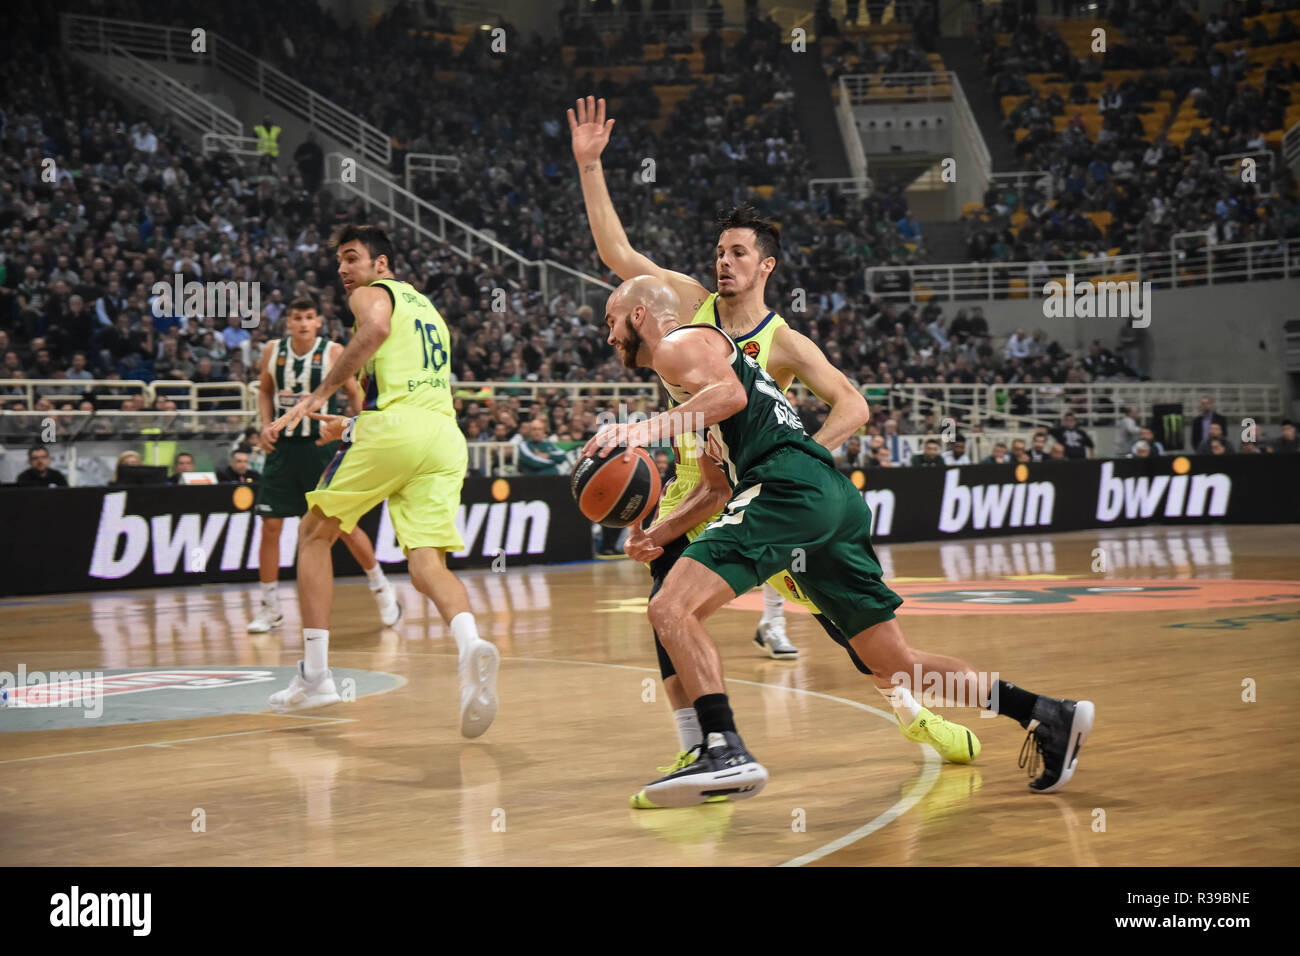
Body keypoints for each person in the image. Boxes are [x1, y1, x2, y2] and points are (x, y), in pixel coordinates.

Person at [588, 275, 1094, 806]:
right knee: (895, 662)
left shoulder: (680, 345)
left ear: (639, 315)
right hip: (830, 499)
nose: (608, 336)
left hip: (786, 489)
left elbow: (731, 395)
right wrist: (654, 533)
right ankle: (1044, 713)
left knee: (671, 608)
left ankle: (723, 749)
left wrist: (641, 430)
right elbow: (716, 488)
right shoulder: (696, 381)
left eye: (610, 321)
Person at [571, 98, 877, 765]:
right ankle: (702, 748)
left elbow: (853, 405)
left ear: (765, 265)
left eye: (737, 252)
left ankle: (902, 690)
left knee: (845, 625)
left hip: (767, 492)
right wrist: (591, 166)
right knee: (666, 610)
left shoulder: (784, 341)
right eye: (718, 252)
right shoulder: (686, 305)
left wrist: (803, 455)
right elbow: (616, 251)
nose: (722, 262)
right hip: (696, 489)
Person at [267, 224, 499, 737]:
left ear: (382, 265)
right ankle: (469, 648)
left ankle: (316, 677)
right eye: (339, 262)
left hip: (397, 431)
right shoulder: (430, 311)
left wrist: (318, 395)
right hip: (443, 437)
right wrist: (351, 426)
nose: (344, 269)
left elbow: (373, 334)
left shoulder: (373, 297)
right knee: (425, 564)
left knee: (313, 534)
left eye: (353, 258)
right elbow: (413, 393)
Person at [250, 296, 400, 634]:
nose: (302, 323)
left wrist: (354, 426)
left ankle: (381, 588)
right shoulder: (272, 350)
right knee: (270, 526)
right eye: (296, 317)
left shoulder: (332, 351)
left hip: (320, 448)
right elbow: (264, 390)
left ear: (318, 321)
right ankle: (269, 607)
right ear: (287, 321)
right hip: (283, 449)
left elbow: (354, 392)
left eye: (308, 317)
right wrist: (264, 423)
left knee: (342, 527)